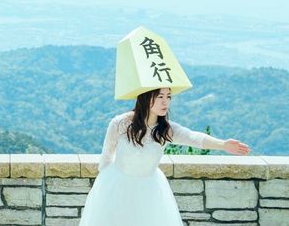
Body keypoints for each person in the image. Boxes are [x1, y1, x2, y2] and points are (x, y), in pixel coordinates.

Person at [79, 86, 250, 225]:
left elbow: (194, 137)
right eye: (160, 96)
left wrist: (223, 144)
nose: (165, 101)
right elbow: (106, 159)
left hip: (150, 190)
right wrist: (105, 189)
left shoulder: (166, 130)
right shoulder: (120, 123)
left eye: (168, 97)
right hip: (117, 187)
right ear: (146, 97)